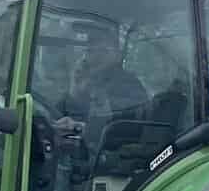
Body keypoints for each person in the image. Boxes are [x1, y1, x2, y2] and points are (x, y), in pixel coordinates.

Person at [53, 22, 150, 153]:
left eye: (103, 50)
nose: (95, 55)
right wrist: (74, 92)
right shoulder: (87, 82)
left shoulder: (128, 84)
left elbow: (130, 126)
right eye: (90, 50)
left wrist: (83, 129)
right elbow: (58, 115)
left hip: (114, 161)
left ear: (117, 55)